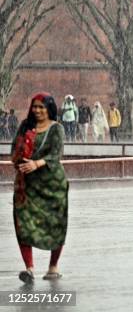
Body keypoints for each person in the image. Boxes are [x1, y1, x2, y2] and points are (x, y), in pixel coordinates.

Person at [11, 92, 68, 284]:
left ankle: (53, 266)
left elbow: (56, 154)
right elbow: (14, 149)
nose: (37, 110)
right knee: (23, 224)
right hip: (26, 184)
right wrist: (19, 159)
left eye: (41, 107)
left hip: (52, 185)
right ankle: (29, 268)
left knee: (55, 224)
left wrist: (37, 163)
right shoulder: (25, 126)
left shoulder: (56, 129)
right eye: (35, 106)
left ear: (49, 109)